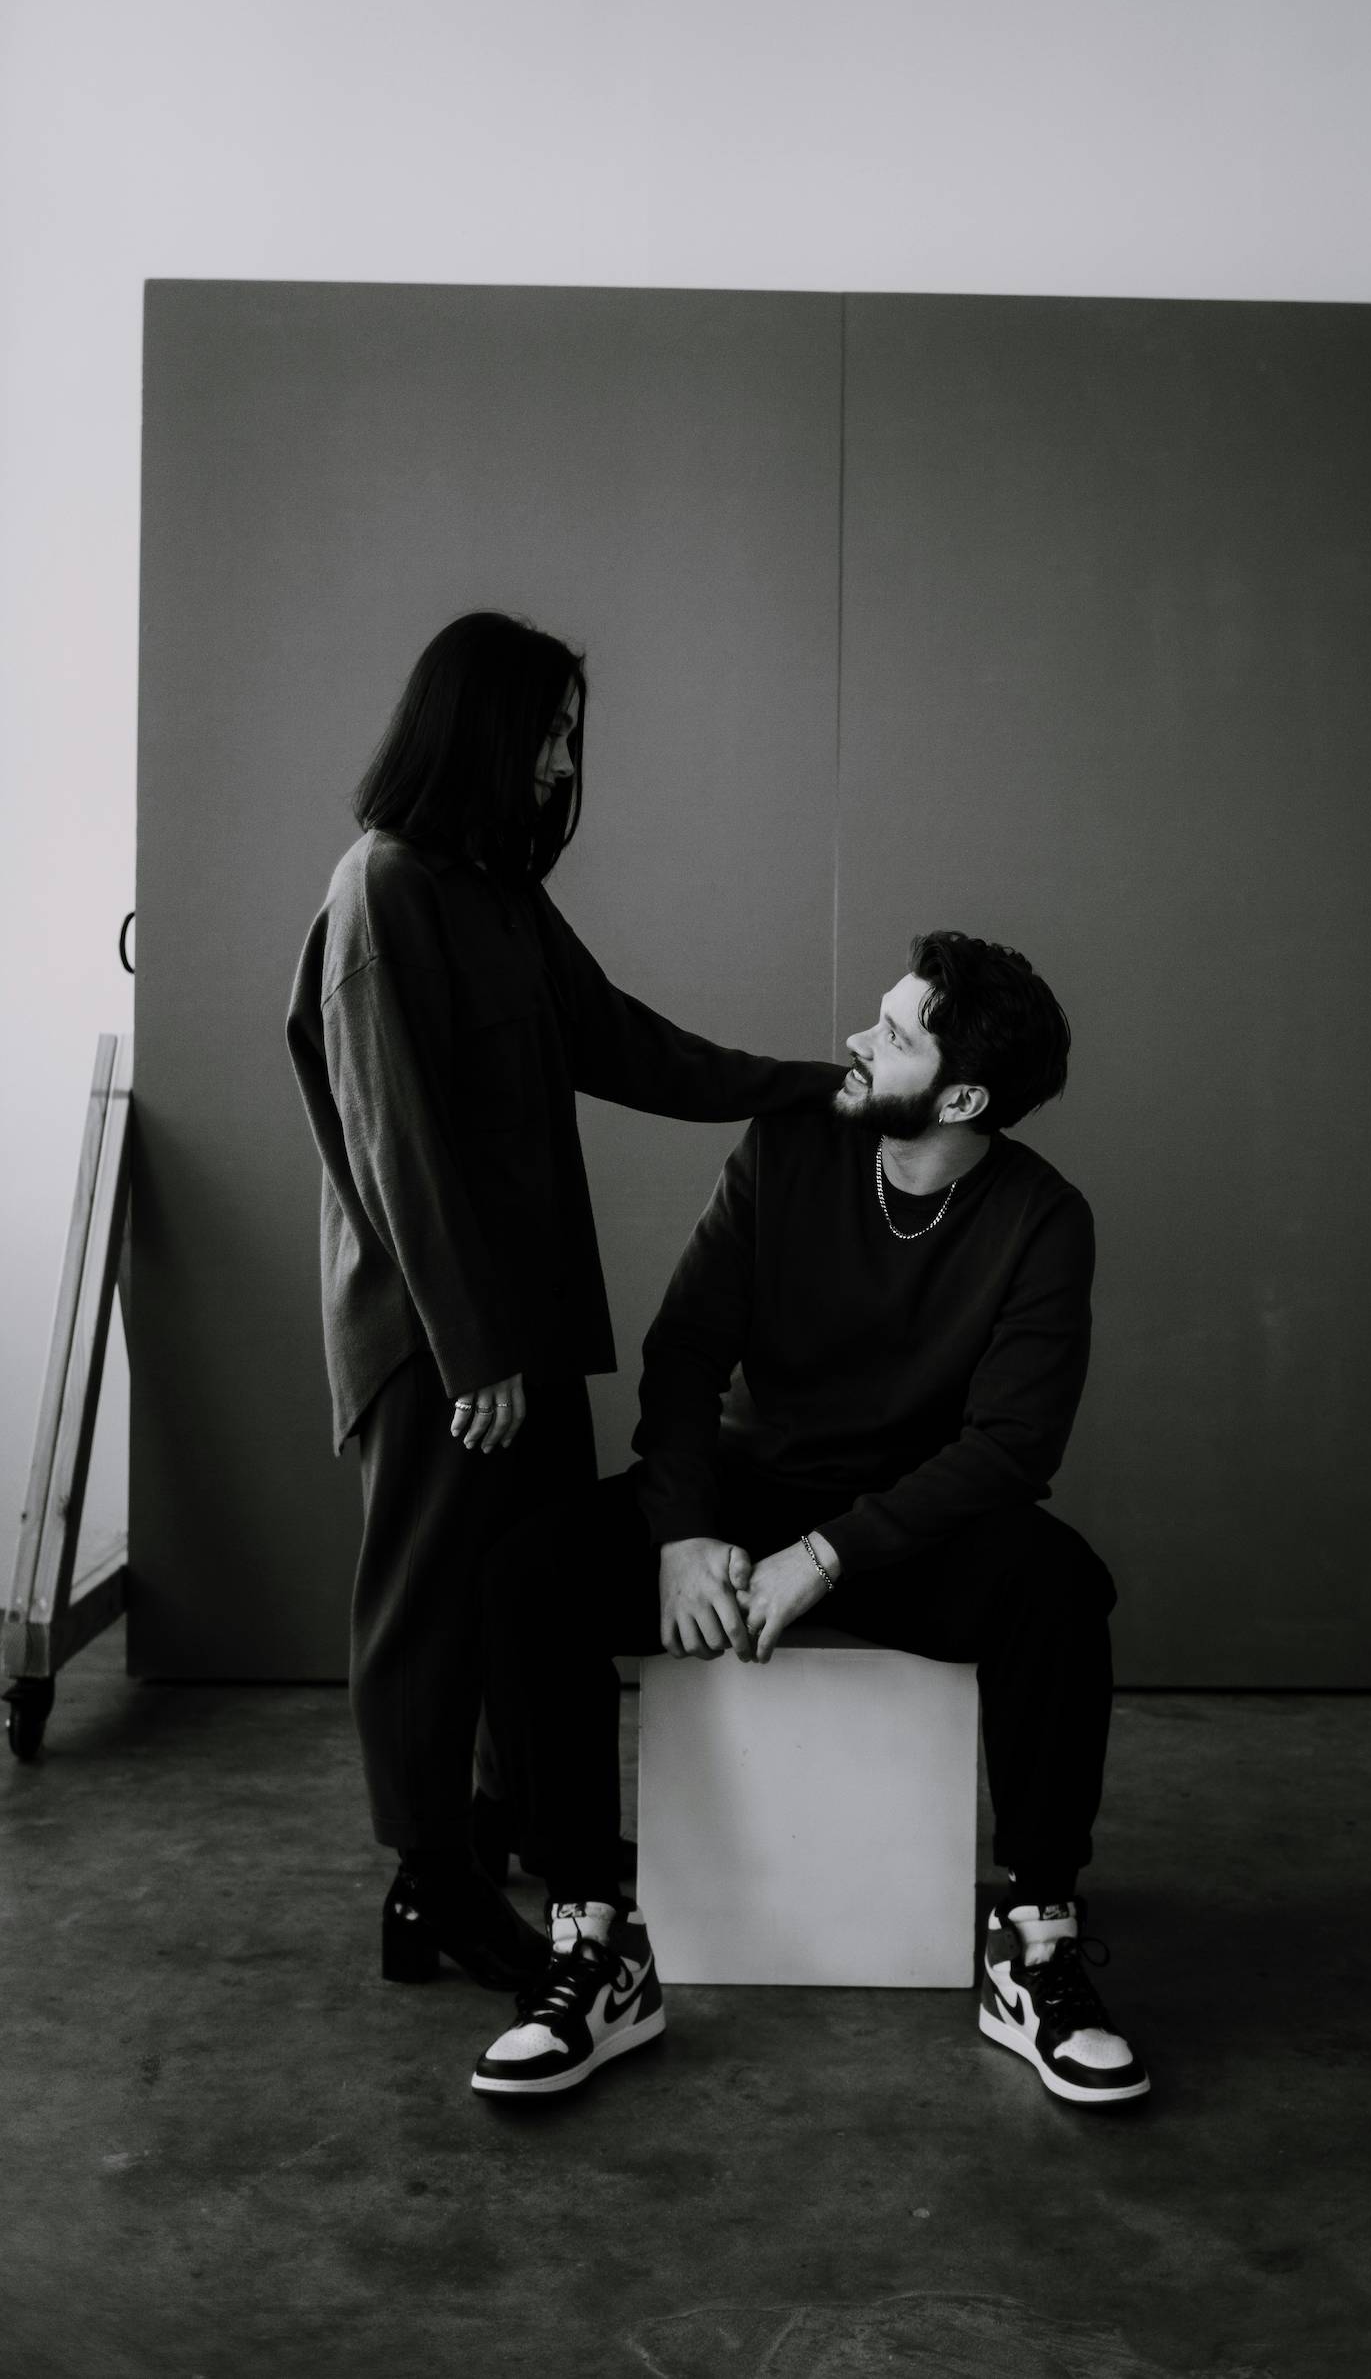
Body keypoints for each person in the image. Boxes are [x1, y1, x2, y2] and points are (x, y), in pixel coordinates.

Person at [472, 929, 1148, 2108]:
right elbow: (686, 1351)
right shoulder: (786, 1147)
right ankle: (592, 1941)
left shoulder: (1042, 1217)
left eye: (891, 1034)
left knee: (1056, 1587)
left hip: (906, 1525)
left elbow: (1010, 1447)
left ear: (963, 1097)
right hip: (746, 1493)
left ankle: (1035, 1941)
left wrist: (826, 1557)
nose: (852, 1040)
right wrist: (684, 1530)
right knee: (532, 1569)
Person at [285, 610, 840, 1993]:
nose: (558, 765)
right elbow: (395, 1149)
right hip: (436, 1341)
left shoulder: (493, 892)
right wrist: (470, 1350)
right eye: (545, 733)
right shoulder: (381, 891)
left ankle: (519, 1831)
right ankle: (430, 1885)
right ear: (475, 728)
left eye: (569, 738)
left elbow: (622, 1041)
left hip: (519, 1332)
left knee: (524, 1588)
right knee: (426, 1609)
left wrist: (808, 1089)